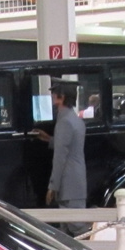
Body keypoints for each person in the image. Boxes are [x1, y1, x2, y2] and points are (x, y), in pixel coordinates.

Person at [41, 83, 87, 211]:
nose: (52, 97)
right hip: (76, 181)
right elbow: (70, 145)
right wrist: (48, 139)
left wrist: (53, 186)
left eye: (54, 94)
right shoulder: (75, 119)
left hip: (68, 185)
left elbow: (60, 157)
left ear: (61, 97)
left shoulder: (64, 122)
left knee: (76, 227)